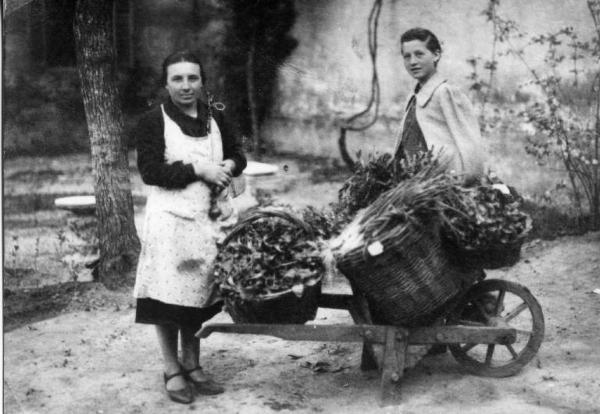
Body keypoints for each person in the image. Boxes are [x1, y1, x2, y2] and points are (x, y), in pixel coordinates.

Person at [133, 50, 246, 404]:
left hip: (206, 220)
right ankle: (172, 369)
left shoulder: (215, 117)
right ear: (166, 83)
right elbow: (151, 172)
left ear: (202, 82)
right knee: (168, 297)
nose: (186, 86)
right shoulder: (154, 121)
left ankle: (193, 364)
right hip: (169, 222)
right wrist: (199, 169)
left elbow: (237, 152)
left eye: (193, 78)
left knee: (197, 295)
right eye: (178, 79)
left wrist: (229, 162)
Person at [393, 27, 485, 181]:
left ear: (436, 55)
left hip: (443, 182)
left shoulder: (445, 93)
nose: (413, 62)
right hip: (414, 181)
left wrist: (467, 181)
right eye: (406, 56)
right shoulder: (414, 96)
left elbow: (469, 143)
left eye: (419, 54)